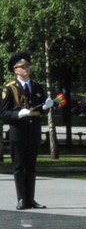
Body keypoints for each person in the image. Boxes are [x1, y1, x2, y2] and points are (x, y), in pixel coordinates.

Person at [4, 54, 47, 209]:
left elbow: (41, 110)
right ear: (15, 70)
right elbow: (3, 113)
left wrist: (46, 107)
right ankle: (21, 199)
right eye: (22, 67)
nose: (26, 69)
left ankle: (31, 199)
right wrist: (17, 114)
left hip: (33, 131)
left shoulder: (37, 87)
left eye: (27, 66)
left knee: (31, 166)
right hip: (18, 132)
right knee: (19, 166)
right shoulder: (9, 89)